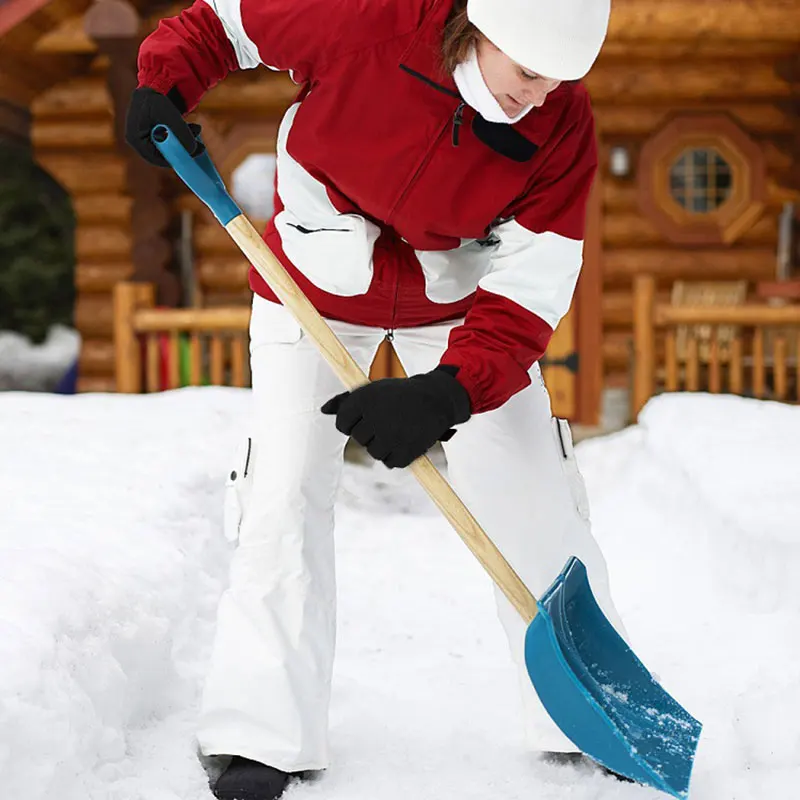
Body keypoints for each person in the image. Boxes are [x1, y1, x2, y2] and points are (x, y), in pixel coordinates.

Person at [125, 0, 627, 798]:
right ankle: (260, 734)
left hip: (457, 303)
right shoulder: (370, 19)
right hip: (313, 284)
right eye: (529, 73)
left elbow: (532, 287)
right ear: (480, 30)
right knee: (283, 489)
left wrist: (450, 393)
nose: (542, 95)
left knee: (532, 492)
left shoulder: (561, 120)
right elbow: (224, 23)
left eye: (561, 80)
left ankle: (596, 711)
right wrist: (163, 85)